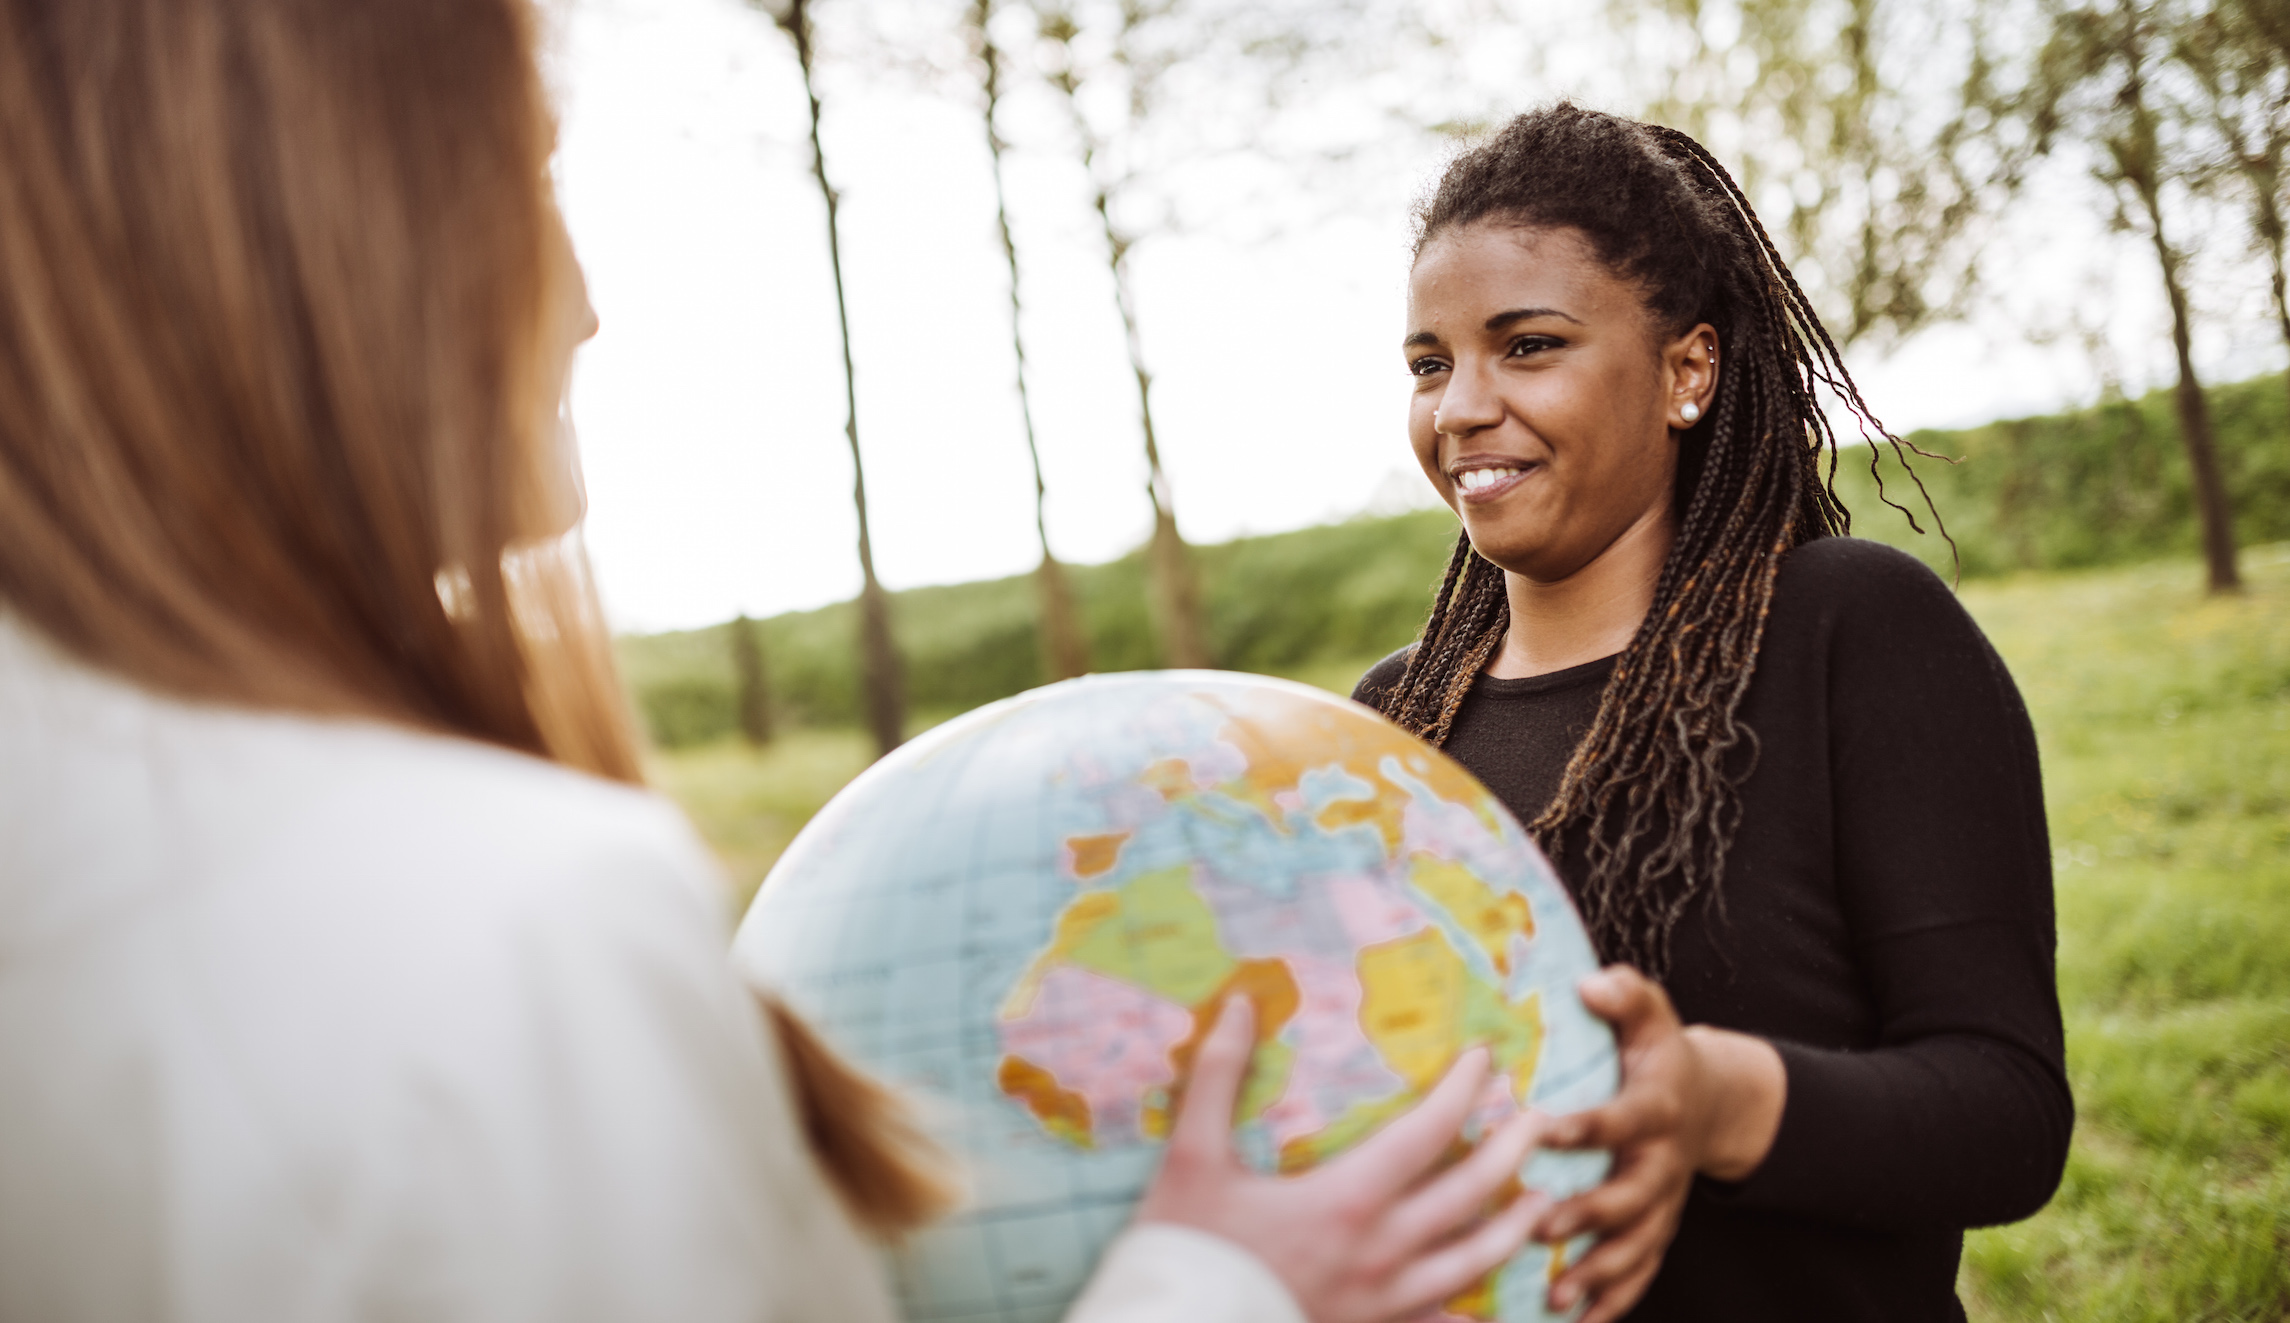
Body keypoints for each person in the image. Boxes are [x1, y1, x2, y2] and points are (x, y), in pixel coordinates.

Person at [0, 2, 1546, 1320]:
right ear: (320, 234)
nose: (584, 304)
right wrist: (1216, 1284)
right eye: (523, 179)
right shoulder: (511, 922)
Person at [1355, 104, 2073, 1323]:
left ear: (1686, 371)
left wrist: (1715, 1101)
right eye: (1430, 364)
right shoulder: (1391, 726)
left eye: (1527, 346)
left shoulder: (1846, 633)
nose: (1459, 406)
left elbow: (2006, 1116)